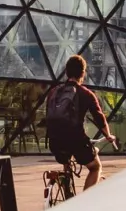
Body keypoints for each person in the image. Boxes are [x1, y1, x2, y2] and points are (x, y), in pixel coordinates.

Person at [44, 54, 116, 191]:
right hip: (76, 141)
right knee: (95, 167)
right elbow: (99, 117)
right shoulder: (86, 93)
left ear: (66, 72)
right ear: (83, 73)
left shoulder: (53, 92)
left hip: (54, 141)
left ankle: (67, 190)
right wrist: (108, 135)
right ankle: (83, 203)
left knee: (66, 159)